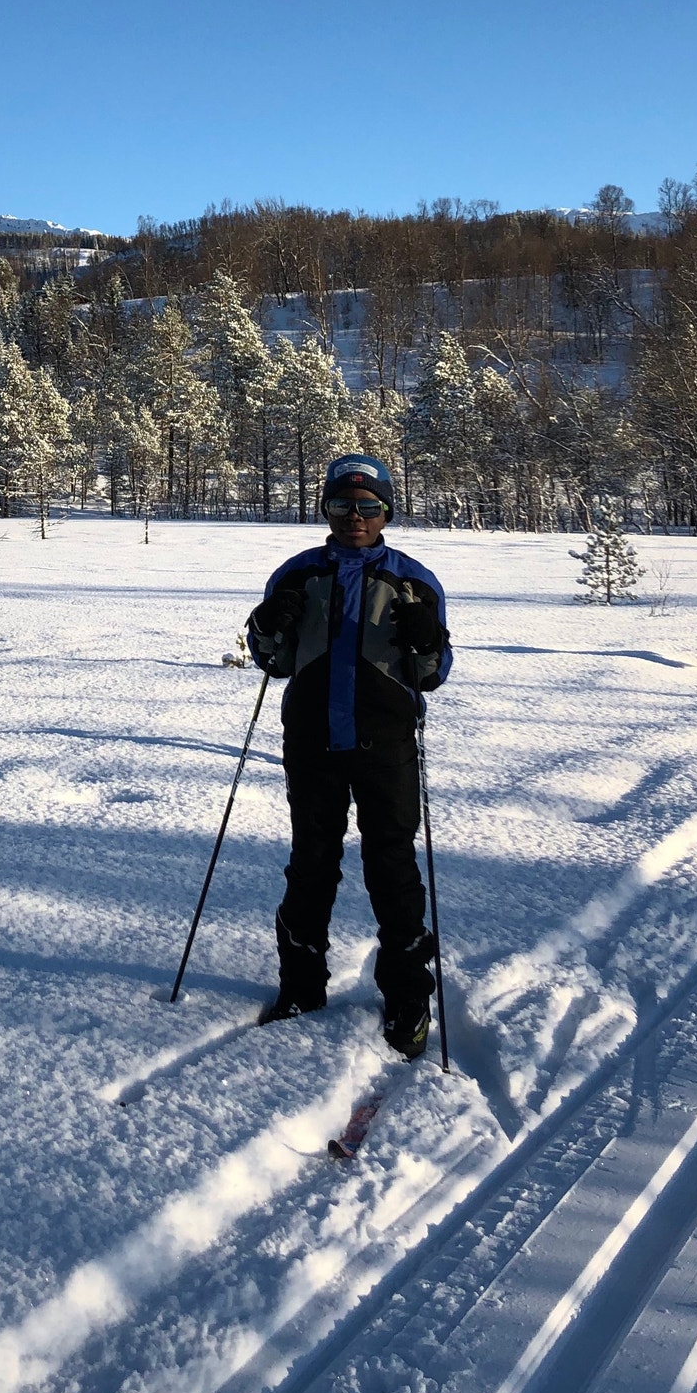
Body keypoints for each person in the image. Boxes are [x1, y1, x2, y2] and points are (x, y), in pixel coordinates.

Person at [244, 454, 452, 1059]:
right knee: (311, 864)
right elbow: (272, 661)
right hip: (310, 742)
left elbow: (433, 674)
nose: (354, 517)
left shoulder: (414, 579)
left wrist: (427, 638)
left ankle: (409, 996)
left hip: (385, 746)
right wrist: (265, 625)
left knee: (392, 867)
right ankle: (301, 987)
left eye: (367, 507)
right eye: (341, 505)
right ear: (326, 510)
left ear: (387, 510)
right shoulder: (297, 574)